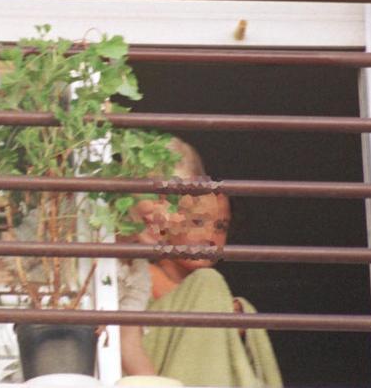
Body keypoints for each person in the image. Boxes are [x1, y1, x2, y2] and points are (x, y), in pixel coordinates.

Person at [118, 138, 282, 387]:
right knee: (208, 282)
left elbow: (127, 343)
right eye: (196, 222)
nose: (209, 237)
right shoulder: (90, 241)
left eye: (221, 227)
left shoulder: (136, 269)